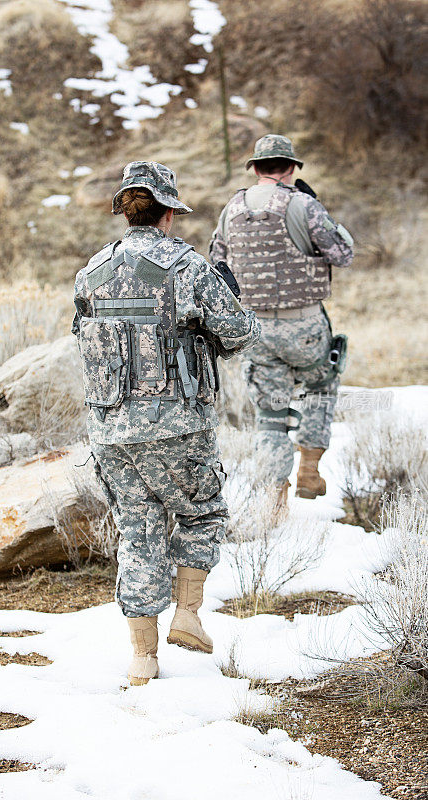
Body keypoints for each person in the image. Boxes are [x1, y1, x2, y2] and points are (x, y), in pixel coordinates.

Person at [72, 161, 259, 686]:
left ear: (127, 210)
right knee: (202, 513)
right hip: (179, 426)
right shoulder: (189, 267)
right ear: (169, 211)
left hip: (111, 431)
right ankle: (189, 617)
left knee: (137, 530)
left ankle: (142, 659)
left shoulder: (93, 270)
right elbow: (240, 334)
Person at [210, 134, 353, 502]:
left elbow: (217, 261)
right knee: (321, 386)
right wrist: (315, 208)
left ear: (255, 168)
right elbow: (343, 253)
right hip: (304, 326)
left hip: (255, 329)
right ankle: (309, 471)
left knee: (270, 414)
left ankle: (274, 500)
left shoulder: (232, 208)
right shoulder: (303, 204)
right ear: (291, 168)